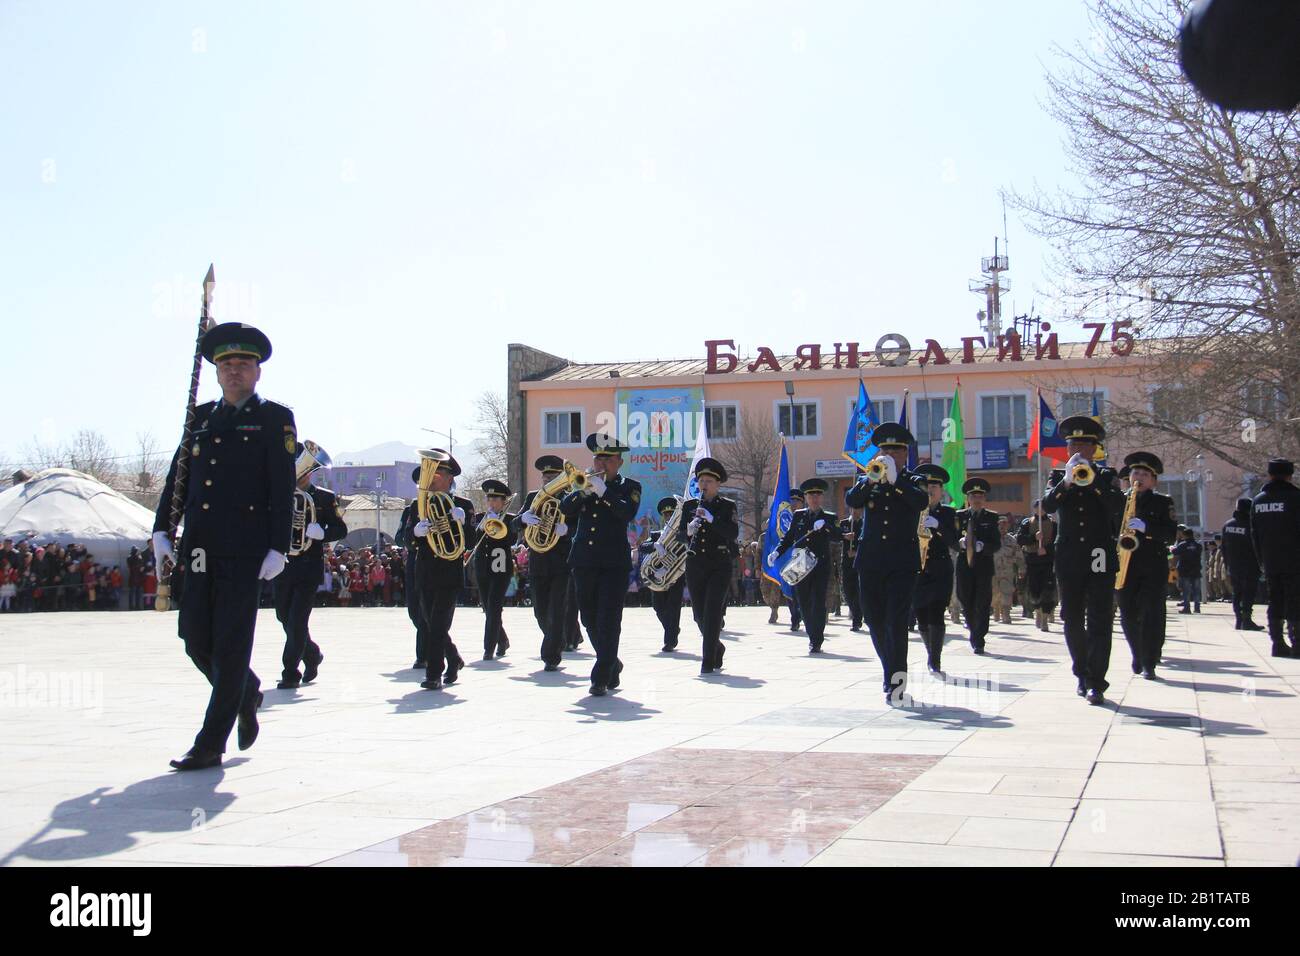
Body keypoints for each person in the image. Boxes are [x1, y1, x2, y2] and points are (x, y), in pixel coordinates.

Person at [151, 322, 295, 771]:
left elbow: (282, 486)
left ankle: (210, 743)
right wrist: (162, 530)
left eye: (243, 364)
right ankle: (246, 690)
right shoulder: (200, 418)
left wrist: (278, 546)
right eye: (226, 364)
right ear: (215, 372)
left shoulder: (274, 418)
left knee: (232, 644)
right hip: (198, 546)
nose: (234, 371)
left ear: (257, 372)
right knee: (195, 640)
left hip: (245, 548)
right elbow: (179, 477)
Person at [1041, 416, 1125, 706]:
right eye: (1072, 444)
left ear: (1094, 448)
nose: (1077, 448)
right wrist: (1067, 481)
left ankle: (1097, 682)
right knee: (1072, 617)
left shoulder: (1107, 475)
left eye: (1083, 444)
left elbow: (1117, 506)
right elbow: (1048, 505)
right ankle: (1081, 672)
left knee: (1100, 617)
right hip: (1069, 556)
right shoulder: (1056, 476)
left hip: (1099, 553)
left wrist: (1092, 481)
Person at [845, 422, 930, 703]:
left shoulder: (913, 482)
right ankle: (889, 671)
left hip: (902, 563)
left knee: (896, 622)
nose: (890, 455)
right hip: (870, 562)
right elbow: (852, 499)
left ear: (906, 454)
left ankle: (896, 681)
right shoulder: (870, 477)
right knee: (874, 620)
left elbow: (919, 502)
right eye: (885, 450)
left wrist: (897, 482)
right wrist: (871, 480)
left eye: (896, 450)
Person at [560, 433, 641, 696]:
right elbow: (566, 508)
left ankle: (600, 677)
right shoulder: (584, 483)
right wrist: (584, 491)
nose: (601, 464)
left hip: (613, 563)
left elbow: (626, 512)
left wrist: (604, 492)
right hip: (584, 560)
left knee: (609, 619)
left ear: (619, 462)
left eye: (607, 459)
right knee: (588, 617)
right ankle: (610, 662)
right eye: (597, 458)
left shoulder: (630, 487)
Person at [273, 442, 347, 689]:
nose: (303, 473)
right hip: (283, 565)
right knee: (283, 616)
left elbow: (341, 529)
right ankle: (312, 654)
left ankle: (290, 671)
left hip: (308, 566)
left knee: (297, 621)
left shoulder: (324, 497)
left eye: (306, 469)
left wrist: (322, 532)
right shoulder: (279, 494)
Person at [411, 449, 473, 690]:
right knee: (428, 622)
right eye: (432, 472)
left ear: (450, 478)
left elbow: (469, 541)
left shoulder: (462, 505)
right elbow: (408, 537)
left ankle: (433, 674)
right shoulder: (419, 504)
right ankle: (453, 658)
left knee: (437, 624)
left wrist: (463, 522)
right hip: (426, 571)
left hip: (449, 572)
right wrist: (416, 533)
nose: (434, 477)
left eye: (439, 473)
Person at [1115, 452, 1179, 681]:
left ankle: (1149, 661)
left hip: (1152, 564)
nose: (1138, 477)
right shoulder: (1120, 500)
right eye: (1135, 473)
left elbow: (1171, 534)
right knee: (1128, 613)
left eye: (1144, 474)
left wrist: (1147, 527)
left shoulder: (1163, 502)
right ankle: (1137, 652)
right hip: (1125, 564)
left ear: (1153, 480)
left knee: (1152, 613)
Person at [679, 459, 739, 674]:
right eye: (701, 481)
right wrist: (688, 530)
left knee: (713, 611)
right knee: (698, 615)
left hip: (719, 564)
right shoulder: (689, 506)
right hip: (696, 564)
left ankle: (707, 661)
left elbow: (732, 533)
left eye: (708, 481)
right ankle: (716, 646)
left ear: (717, 484)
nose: (704, 485)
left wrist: (712, 519)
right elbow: (679, 536)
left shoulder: (727, 506)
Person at [518, 456, 576, 671]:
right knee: (540, 611)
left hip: (561, 563)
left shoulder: (569, 498)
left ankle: (551, 655)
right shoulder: (534, 497)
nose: (548, 480)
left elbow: (579, 526)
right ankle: (556, 639)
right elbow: (517, 523)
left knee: (557, 609)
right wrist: (524, 519)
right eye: (545, 477)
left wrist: (567, 530)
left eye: (552, 476)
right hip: (538, 562)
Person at [771, 478, 838, 653]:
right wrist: (777, 552)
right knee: (804, 601)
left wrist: (826, 528)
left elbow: (838, 536)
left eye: (817, 495)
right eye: (810, 495)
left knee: (818, 602)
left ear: (821, 497)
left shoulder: (829, 517)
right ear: (806, 498)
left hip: (820, 565)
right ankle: (811, 634)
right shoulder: (799, 515)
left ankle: (817, 639)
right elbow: (789, 537)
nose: (814, 498)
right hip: (800, 564)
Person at [911, 464, 958, 675]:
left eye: (935, 486)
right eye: (927, 486)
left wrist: (938, 526)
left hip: (940, 570)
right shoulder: (913, 511)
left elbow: (956, 543)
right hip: (918, 570)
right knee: (921, 616)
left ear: (941, 490)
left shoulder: (948, 513)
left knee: (937, 614)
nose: (930, 490)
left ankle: (935, 659)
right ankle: (930, 651)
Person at [1251, 458, 1300, 658]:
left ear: (1270, 475)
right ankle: (1297, 642)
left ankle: (1277, 643)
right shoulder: (1296, 498)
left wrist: (1261, 560)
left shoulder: (1258, 501)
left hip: (1270, 560)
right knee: (1296, 600)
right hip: (1295, 560)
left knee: (1275, 600)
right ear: (1290, 475)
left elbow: (1255, 535)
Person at [955, 477, 1002, 655]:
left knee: (982, 602)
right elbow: (951, 539)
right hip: (964, 565)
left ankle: (979, 638)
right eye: (973, 496)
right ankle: (973, 628)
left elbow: (996, 544)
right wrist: (958, 543)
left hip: (983, 565)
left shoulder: (991, 517)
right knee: (965, 600)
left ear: (984, 499)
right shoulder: (959, 516)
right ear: (968, 498)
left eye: (980, 496)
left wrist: (984, 546)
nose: (976, 499)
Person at [473, 479, 518, 661]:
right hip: (483, 568)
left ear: (503, 501)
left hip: (500, 568)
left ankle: (488, 648)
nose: (491, 503)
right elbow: (473, 540)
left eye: (495, 500)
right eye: (489, 499)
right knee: (487, 607)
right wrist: (484, 525)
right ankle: (503, 640)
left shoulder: (509, 518)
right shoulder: (479, 518)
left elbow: (512, 540)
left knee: (494, 607)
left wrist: (500, 525)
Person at [395, 468, 430, 668]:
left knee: (429, 612)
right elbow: (400, 537)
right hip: (414, 563)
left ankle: (423, 654)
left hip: (433, 563)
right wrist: (415, 533)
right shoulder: (411, 509)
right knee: (415, 611)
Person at [642, 496, 686, 652]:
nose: (669, 518)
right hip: (657, 578)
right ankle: (672, 629)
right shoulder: (656, 535)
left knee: (673, 607)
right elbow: (642, 546)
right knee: (658, 607)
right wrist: (655, 545)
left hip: (676, 576)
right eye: (667, 515)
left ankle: (670, 640)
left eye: (672, 514)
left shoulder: (682, 535)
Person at [1221, 496, 1264, 632]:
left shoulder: (1227, 525)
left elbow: (1223, 548)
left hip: (1233, 565)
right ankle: (1246, 619)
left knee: (1237, 592)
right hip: (1250, 564)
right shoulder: (1250, 525)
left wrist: (1228, 564)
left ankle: (1239, 619)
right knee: (1248, 592)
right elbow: (1257, 545)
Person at [1017, 497, 1058, 631]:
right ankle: (1038, 611)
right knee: (1034, 590)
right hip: (1033, 561)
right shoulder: (1027, 523)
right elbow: (1020, 539)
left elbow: (1057, 541)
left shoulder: (1053, 524)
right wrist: (1033, 538)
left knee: (1048, 590)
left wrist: (1047, 549)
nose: (1040, 510)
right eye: (1037, 507)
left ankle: (1045, 617)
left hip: (1047, 562)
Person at [991, 515, 1022, 625]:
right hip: (993, 570)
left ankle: (1006, 613)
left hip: (1007, 570)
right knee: (994, 593)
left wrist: (1022, 568)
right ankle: (996, 609)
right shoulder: (991, 538)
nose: (1002, 526)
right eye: (1000, 524)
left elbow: (1019, 555)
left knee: (1007, 592)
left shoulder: (1012, 540)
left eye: (1005, 524)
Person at [839, 508, 864, 631]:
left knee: (858, 591)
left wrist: (857, 553)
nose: (855, 511)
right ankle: (856, 613)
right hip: (846, 563)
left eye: (858, 508)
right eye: (853, 508)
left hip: (859, 563)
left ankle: (857, 619)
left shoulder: (865, 524)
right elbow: (836, 536)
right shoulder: (844, 524)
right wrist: (844, 536)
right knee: (847, 591)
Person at [1172, 527, 1204, 614]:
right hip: (1196, 570)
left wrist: (1172, 547)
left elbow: (1175, 552)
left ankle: (1187, 608)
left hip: (1185, 570)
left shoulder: (1182, 545)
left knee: (1186, 590)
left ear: (1184, 535)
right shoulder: (1198, 545)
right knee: (1196, 590)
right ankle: (1197, 608)